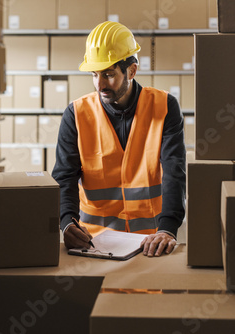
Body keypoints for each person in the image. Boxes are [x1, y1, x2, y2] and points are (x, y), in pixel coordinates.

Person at [52, 21, 186, 257]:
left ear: (132, 71)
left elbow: (174, 172)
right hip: (94, 243)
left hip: (150, 243)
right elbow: (65, 176)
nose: (100, 84)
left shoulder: (164, 106)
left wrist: (168, 229)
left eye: (109, 74)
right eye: (94, 75)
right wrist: (67, 222)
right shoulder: (76, 114)